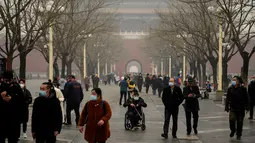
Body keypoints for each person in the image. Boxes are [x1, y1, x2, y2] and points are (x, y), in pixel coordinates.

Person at [0, 71, 24, 143]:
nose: (7, 82)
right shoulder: (1, 87)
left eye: (9, 80)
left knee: (13, 138)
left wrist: (12, 98)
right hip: (2, 117)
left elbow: (22, 100)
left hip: (13, 118)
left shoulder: (16, 87)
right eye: (5, 80)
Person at [225, 76, 249, 140]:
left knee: (240, 122)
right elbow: (228, 98)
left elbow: (246, 98)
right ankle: (233, 130)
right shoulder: (230, 88)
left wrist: (247, 106)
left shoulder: (243, 89)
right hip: (233, 108)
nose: (233, 81)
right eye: (233, 80)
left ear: (238, 81)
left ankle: (239, 134)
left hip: (241, 108)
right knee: (232, 120)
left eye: (235, 80)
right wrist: (226, 107)